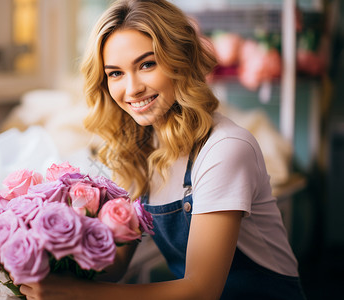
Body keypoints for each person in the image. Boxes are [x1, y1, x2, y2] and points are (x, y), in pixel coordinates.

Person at [19, 0, 306, 299]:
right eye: (115, 73)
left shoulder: (225, 149)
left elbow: (201, 289)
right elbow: (116, 266)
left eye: (146, 64)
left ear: (181, 61)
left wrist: (77, 293)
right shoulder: (137, 151)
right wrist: (46, 261)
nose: (132, 89)